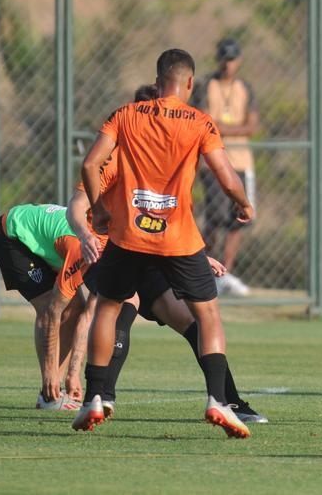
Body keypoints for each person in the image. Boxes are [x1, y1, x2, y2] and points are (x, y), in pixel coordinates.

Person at [71, 49, 256, 438]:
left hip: (129, 236)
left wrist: (102, 211)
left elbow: (90, 165)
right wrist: (242, 202)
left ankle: (96, 397)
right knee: (207, 316)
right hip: (178, 239)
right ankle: (217, 401)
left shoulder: (125, 115)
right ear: (190, 83)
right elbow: (226, 176)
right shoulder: (200, 122)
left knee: (107, 307)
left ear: (158, 81)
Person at [0, 201, 99, 409]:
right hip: (12, 236)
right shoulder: (82, 250)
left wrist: (74, 374)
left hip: (48, 243)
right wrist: (50, 372)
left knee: (75, 310)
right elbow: (52, 312)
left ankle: (53, 393)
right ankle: (49, 393)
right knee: (52, 305)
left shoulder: (112, 257)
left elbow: (88, 316)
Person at [196, 38, 259, 296]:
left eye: (232, 59)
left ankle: (226, 272)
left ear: (239, 60)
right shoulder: (206, 85)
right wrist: (229, 128)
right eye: (224, 58)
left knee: (237, 220)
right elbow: (201, 120)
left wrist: (221, 127)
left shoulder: (245, 88)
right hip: (213, 163)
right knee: (214, 217)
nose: (228, 64)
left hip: (241, 161)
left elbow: (251, 126)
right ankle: (205, 271)